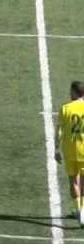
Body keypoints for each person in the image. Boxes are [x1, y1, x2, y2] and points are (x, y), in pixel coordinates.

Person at [57, 81, 84, 225]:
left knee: (74, 180)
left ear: (75, 92)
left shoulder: (65, 108)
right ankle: (83, 211)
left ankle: (79, 211)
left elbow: (60, 130)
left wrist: (56, 148)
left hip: (70, 149)